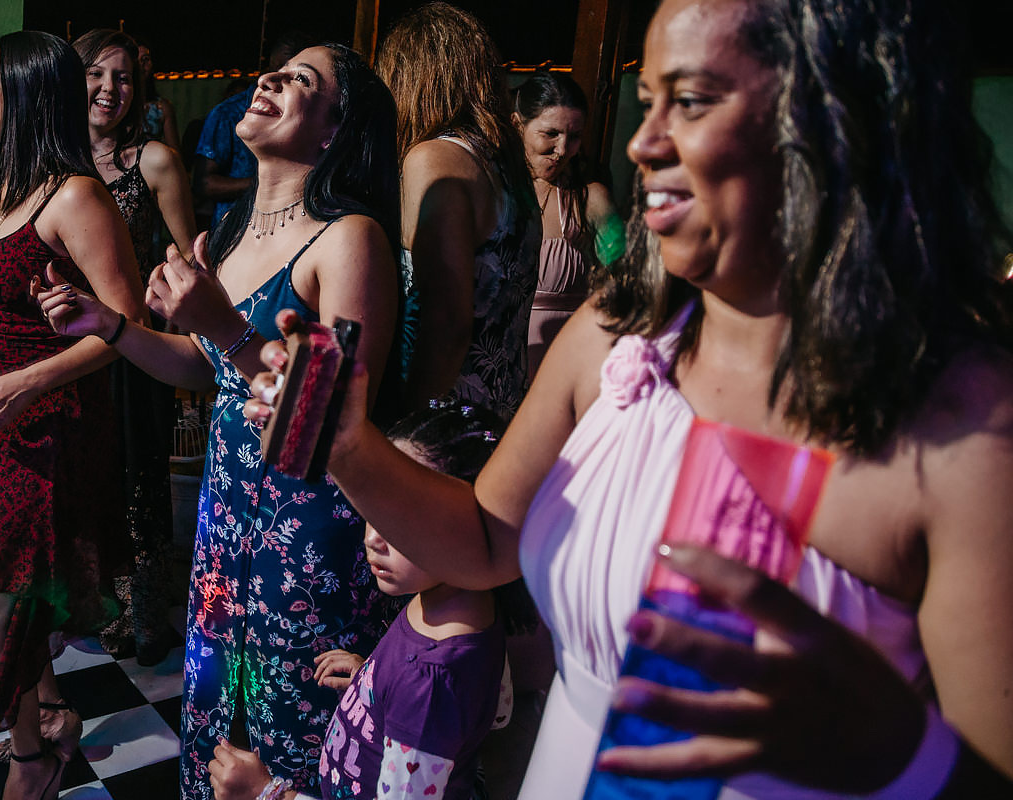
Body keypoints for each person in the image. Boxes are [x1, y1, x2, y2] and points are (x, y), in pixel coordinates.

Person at [247, 0, 1013, 797]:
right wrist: (350, 448)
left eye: (689, 100)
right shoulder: (616, 340)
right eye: (647, 102)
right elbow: (480, 542)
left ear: (834, 114)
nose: (642, 144)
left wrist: (902, 756)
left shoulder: (967, 433)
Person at [37, 43, 401, 796]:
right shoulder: (233, 231)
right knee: (216, 717)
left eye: (301, 81)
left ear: (335, 129)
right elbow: (206, 369)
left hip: (308, 535)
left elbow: (329, 417)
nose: (266, 78)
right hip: (225, 517)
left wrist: (226, 325)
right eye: (274, 69)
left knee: (290, 724)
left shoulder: (349, 239)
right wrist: (110, 325)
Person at [0, 30, 146, 800]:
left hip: (45, 435)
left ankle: (32, 755)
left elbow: (127, 325)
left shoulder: (75, 197)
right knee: (10, 598)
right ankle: (51, 710)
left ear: (19, 96)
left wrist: (31, 380)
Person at [208, 402, 509, 800]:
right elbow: (492, 712)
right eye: (373, 510)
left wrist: (268, 794)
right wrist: (376, 681)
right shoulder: (454, 603)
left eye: (403, 517)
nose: (372, 538)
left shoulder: (431, 679)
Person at [73, 27, 197, 667]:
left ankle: (145, 616)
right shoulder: (56, 164)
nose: (110, 89)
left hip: (133, 348)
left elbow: (190, 263)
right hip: (67, 350)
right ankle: (92, 603)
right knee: (84, 477)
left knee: (137, 479)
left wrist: (185, 359)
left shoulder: (153, 161)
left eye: (123, 78)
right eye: (97, 74)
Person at [375, 2, 540, 421]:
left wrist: (411, 424)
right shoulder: (505, 165)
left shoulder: (434, 158)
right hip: (499, 408)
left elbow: (447, 322)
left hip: (445, 418)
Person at [512, 72, 624, 379]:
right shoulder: (495, 193)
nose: (563, 150)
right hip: (499, 358)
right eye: (550, 134)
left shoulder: (590, 200)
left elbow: (630, 280)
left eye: (573, 137)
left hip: (569, 358)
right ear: (517, 125)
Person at [190, 31, 314, 231]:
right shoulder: (227, 114)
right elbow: (203, 183)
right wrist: (265, 185)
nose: (277, 80)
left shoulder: (306, 121)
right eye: (279, 69)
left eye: (299, 79)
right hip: (233, 231)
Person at [136, 37, 181, 151]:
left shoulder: (162, 107)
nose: (141, 64)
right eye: (136, 59)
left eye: (145, 59)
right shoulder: (117, 104)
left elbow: (175, 152)